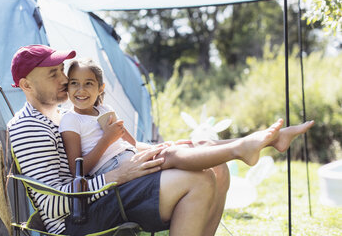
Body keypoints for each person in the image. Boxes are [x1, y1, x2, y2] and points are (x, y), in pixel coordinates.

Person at [7, 45, 312, 236]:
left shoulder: (61, 116)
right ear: (26, 85)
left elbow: (113, 148)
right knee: (199, 181)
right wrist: (117, 176)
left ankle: (252, 144)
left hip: (103, 191)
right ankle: (246, 146)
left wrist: (157, 148)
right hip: (80, 217)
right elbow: (53, 202)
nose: (63, 80)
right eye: (52, 75)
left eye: (62, 72)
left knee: (216, 169)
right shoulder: (28, 127)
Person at [59, 58, 314, 178]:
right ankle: (242, 149)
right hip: (115, 171)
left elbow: (132, 144)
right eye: (74, 84)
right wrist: (107, 139)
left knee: (187, 144)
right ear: (67, 88)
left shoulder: (104, 112)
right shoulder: (70, 120)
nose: (81, 90)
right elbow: (77, 169)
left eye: (89, 83)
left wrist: (158, 146)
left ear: (101, 88)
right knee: (173, 156)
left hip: (130, 156)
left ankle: (269, 140)